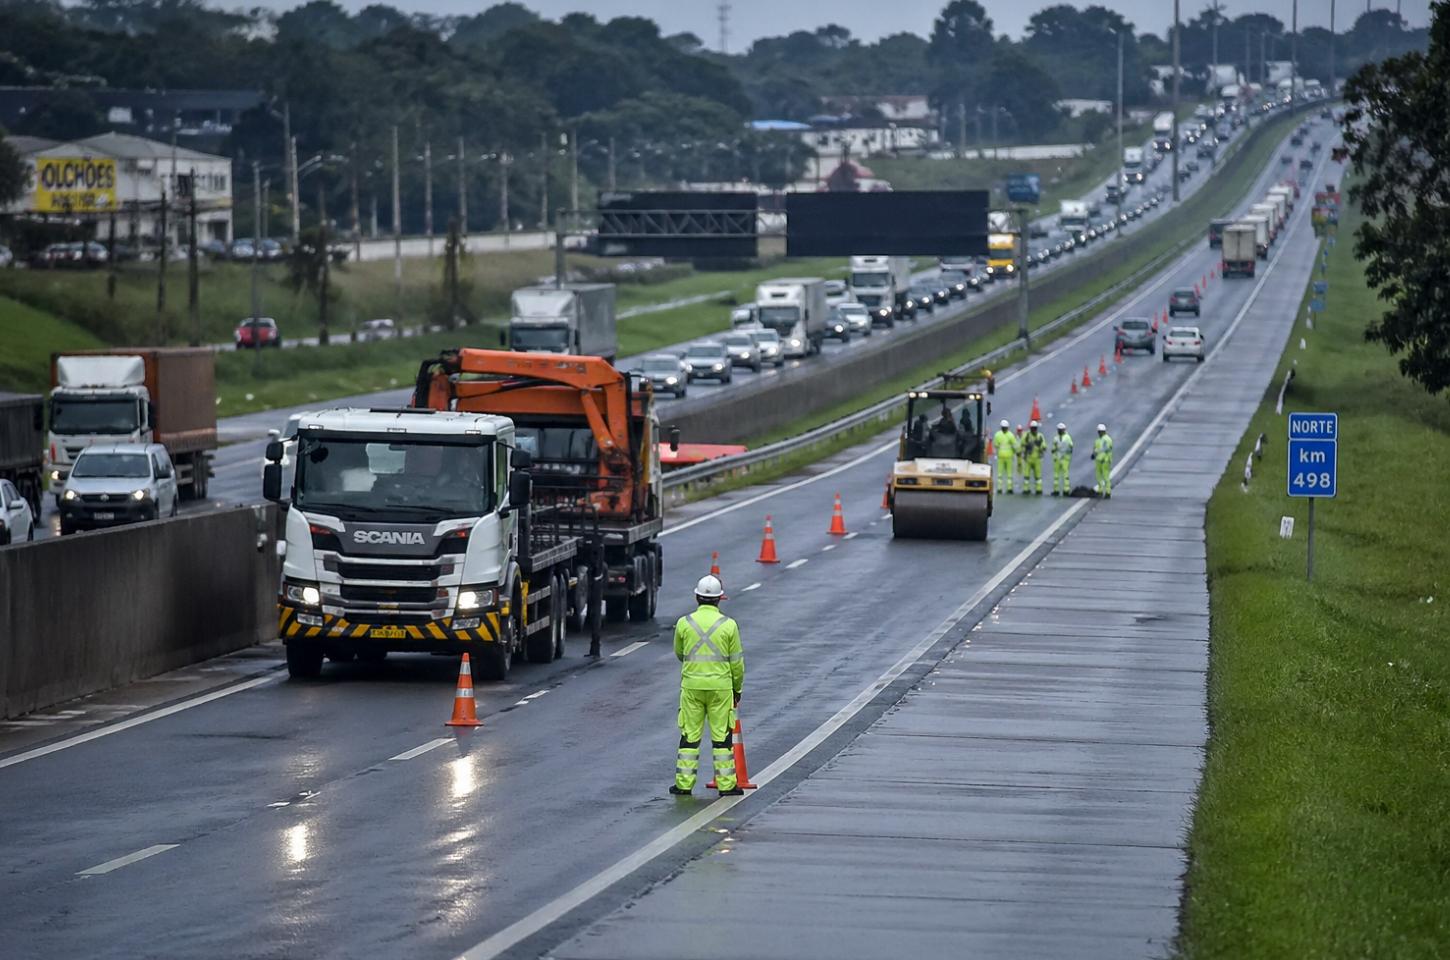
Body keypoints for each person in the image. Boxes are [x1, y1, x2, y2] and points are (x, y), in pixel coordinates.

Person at [670, 575, 745, 797]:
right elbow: (737, 663)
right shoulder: (729, 625)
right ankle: (726, 784)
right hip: (721, 688)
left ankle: (683, 784)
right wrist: (736, 688)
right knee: (722, 737)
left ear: (697, 597)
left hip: (692, 686)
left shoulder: (684, 623)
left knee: (690, 736)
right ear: (720, 598)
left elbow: (680, 653)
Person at [1020, 420, 1046, 495]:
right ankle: (1026, 489)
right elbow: (1022, 443)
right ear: (1030, 428)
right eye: (1032, 428)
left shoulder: (1040, 436)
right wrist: (1027, 445)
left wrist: (1040, 445)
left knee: (1038, 476)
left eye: (1035, 428)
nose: (1033, 430)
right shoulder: (1027, 435)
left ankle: (1039, 489)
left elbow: (1044, 446)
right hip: (1028, 458)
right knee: (1026, 475)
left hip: (1037, 458)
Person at [992, 419, 1017, 494]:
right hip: (1009, 456)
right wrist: (1016, 453)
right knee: (1009, 473)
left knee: (1000, 473)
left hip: (1001, 456)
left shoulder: (997, 435)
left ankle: (999, 488)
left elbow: (996, 445)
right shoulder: (1010, 435)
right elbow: (1014, 446)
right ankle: (1009, 488)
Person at [1051, 422, 1074, 496]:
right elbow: (1053, 448)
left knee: (1065, 475)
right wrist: (1054, 456)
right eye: (1059, 430)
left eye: (1061, 430)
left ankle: (1066, 490)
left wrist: (1067, 455)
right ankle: (1056, 490)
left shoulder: (1067, 437)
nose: (1060, 431)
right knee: (1056, 476)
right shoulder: (1056, 438)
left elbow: (1071, 447)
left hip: (1064, 459)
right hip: (1057, 458)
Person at [1091, 423, 1114, 497]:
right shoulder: (1098, 440)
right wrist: (1093, 454)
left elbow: (1107, 450)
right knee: (1099, 476)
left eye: (1101, 431)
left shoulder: (1107, 439)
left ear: (1104, 431)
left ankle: (1108, 492)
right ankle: (1100, 490)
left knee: (1106, 476)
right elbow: (1096, 449)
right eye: (1099, 431)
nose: (1100, 433)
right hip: (1098, 461)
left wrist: (1104, 458)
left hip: (1105, 461)